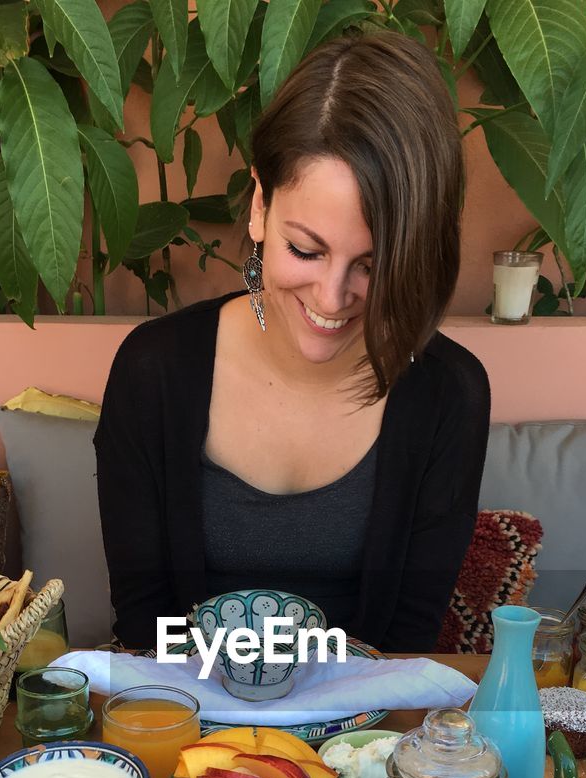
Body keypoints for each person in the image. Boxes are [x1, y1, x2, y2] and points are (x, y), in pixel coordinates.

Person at [95, 30, 490, 652]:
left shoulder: (447, 393)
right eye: (305, 250)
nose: (332, 299)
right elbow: (148, 633)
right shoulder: (155, 372)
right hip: (186, 718)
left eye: (373, 263)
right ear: (259, 204)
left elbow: (407, 644)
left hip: (367, 732)